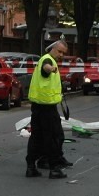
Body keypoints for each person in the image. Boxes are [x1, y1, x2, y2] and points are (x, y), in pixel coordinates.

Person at [26, 40, 69, 179]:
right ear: (53, 49)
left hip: (38, 106)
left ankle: (31, 167)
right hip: (47, 108)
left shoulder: (46, 59)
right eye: (60, 51)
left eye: (64, 53)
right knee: (55, 137)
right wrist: (51, 69)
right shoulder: (47, 60)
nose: (61, 55)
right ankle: (54, 168)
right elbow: (46, 68)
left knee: (36, 137)